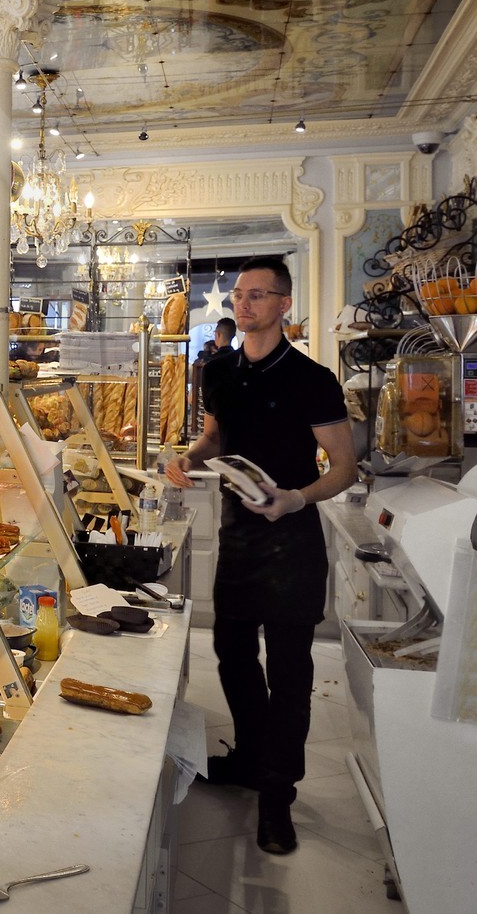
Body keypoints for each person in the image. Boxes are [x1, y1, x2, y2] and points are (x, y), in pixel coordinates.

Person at [164, 257, 356, 856]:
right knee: (230, 652)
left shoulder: (312, 378)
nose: (243, 304)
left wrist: (297, 496)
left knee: (292, 668)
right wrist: (187, 459)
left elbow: (344, 468)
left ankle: (278, 795)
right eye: (239, 296)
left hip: (292, 536)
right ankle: (250, 757)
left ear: (283, 304)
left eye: (257, 295)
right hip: (239, 536)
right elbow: (217, 438)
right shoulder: (217, 369)